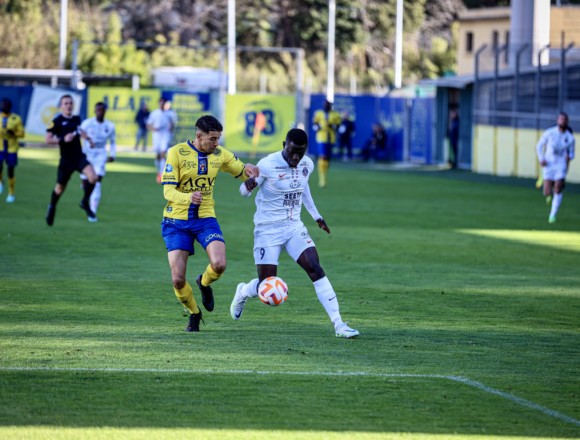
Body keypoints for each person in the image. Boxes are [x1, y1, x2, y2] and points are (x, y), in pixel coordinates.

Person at [229, 127, 360, 339]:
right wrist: (250, 184)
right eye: (292, 152)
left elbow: (303, 189)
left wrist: (317, 216)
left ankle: (339, 324)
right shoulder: (267, 165)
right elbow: (243, 192)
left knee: (315, 268)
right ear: (284, 145)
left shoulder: (307, 164)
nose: (296, 157)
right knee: (267, 284)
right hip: (267, 230)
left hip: (293, 227)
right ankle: (243, 291)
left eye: (300, 152)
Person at [161, 115, 259, 333]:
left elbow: (240, 170)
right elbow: (167, 190)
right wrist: (188, 198)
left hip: (205, 218)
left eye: (218, 139)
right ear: (198, 136)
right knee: (177, 279)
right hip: (176, 221)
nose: (216, 144)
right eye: (212, 139)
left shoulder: (219, 154)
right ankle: (195, 314)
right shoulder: (176, 153)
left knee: (219, 265)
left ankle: (203, 283)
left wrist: (249, 171)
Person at [45, 95, 98, 226]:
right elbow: (47, 139)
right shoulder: (57, 121)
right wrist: (63, 139)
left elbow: (80, 132)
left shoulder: (77, 119)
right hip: (66, 160)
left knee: (93, 177)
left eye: (70, 103)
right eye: (66, 103)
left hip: (79, 157)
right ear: (61, 106)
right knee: (59, 188)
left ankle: (85, 201)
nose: (68, 105)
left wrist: (89, 140)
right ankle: (52, 207)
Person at [536, 111, 575, 224]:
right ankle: (548, 194)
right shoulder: (549, 133)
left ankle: (552, 215)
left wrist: (569, 157)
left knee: (558, 187)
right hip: (549, 164)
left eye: (565, 119)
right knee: (547, 191)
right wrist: (541, 159)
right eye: (561, 119)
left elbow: (572, 153)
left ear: (567, 122)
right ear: (557, 121)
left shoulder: (570, 138)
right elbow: (539, 146)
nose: (563, 121)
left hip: (560, 166)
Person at [79, 102, 116, 217]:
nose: (100, 112)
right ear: (95, 111)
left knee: (98, 179)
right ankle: (85, 198)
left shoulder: (110, 126)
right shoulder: (87, 123)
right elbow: (79, 132)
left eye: (102, 110)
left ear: (104, 111)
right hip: (87, 154)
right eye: (98, 110)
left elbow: (113, 141)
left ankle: (93, 210)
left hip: (101, 154)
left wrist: (113, 155)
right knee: (87, 181)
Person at [0, 98, 25, 203]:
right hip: (0, 147)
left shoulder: (16, 118)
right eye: (3, 105)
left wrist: (13, 133)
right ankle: (1, 182)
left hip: (12, 148)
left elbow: (22, 134)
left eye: (7, 105)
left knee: (10, 169)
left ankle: (11, 192)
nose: (5, 107)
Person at [312, 99, 341, 187]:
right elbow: (314, 125)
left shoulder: (335, 114)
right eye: (325, 105)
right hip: (321, 137)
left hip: (331, 138)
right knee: (323, 156)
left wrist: (332, 126)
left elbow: (338, 126)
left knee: (327, 158)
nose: (327, 106)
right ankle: (322, 178)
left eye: (328, 105)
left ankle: (325, 174)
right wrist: (320, 126)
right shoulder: (318, 113)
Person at [147, 98, 173, 184]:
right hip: (156, 136)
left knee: (163, 153)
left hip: (165, 135)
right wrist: (153, 128)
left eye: (163, 103)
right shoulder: (154, 113)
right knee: (158, 155)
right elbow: (148, 124)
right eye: (160, 103)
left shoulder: (169, 114)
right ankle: (159, 170)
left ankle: (161, 174)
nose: (162, 105)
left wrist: (170, 129)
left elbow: (172, 124)